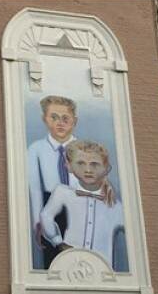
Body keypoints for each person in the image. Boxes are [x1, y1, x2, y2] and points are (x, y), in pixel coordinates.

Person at [39, 140, 123, 269]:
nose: (88, 170)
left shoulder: (115, 205)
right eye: (81, 163)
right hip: (68, 265)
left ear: (106, 168)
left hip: (102, 269)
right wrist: (58, 242)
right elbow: (46, 216)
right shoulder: (63, 192)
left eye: (95, 164)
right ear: (69, 166)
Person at [27, 95, 80, 269]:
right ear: (45, 119)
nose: (60, 123)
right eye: (54, 117)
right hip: (50, 207)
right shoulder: (36, 149)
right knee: (54, 262)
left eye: (65, 118)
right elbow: (34, 188)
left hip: (78, 204)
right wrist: (37, 222)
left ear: (74, 121)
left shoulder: (83, 149)